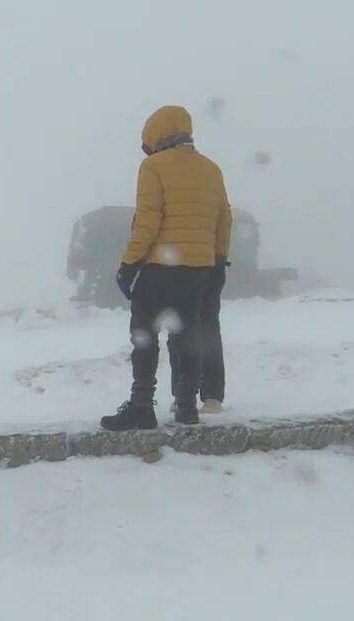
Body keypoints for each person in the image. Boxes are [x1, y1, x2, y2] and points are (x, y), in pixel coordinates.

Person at [100, 105, 232, 431]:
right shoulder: (211, 169)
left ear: (156, 136)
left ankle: (142, 405)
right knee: (187, 335)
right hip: (199, 271)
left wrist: (129, 264)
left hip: (161, 267)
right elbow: (224, 219)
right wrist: (217, 260)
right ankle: (187, 406)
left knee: (145, 333)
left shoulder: (153, 166)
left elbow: (148, 219)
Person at [167, 254, 227, 414]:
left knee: (178, 328)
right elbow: (223, 231)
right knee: (209, 329)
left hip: (177, 263)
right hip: (210, 262)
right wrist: (220, 257)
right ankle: (212, 396)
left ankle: (182, 393)